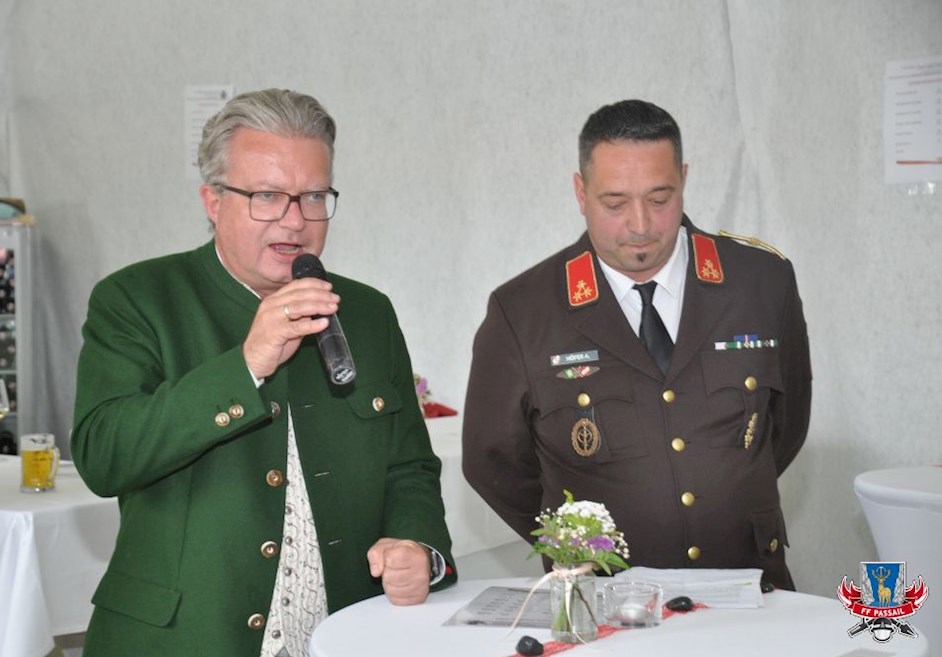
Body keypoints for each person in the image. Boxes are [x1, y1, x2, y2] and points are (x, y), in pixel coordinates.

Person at [71, 88, 456, 657]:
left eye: (313, 196)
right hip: (183, 640)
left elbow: (410, 466)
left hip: (341, 635)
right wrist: (246, 364)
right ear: (212, 200)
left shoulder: (367, 312)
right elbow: (104, 457)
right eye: (267, 196)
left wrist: (417, 545)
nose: (295, 221)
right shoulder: (138, 299)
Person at [462, 99, 811, 590]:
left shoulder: (761, 282)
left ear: (683, 179)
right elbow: (492, 461)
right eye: (615, 204)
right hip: (606, 598)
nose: (641, 224)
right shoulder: (524, 311)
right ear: (580, 192)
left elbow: (785, 427)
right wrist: (576, 543)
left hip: (750, 585)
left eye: (660, 198)